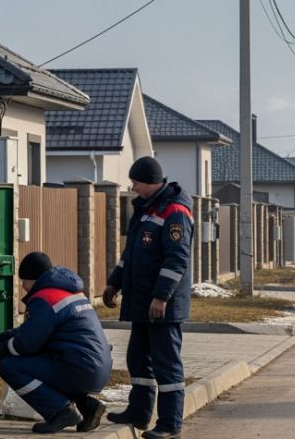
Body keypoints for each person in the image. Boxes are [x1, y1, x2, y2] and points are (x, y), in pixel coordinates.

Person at [102, 156, 192, 439]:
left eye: (136, 182)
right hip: (142, 301)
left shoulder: (174, 212)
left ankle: (169, 424)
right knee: (138, 359)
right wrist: (113, 283)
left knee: (166, 364)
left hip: (161, 306)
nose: (133, 187)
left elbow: (177, 260)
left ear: (151, 181)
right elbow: (131, 255)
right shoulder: (145, 208)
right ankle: (139, 412)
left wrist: (161, 298)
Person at [0, 252, 112, 434]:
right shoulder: (65, 291)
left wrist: (1, 352)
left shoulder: (44, 298)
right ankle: (87, 406)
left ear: (34, 279)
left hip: (81, 368)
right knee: (46, 362)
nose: (22, 286)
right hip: (96, 368)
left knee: (9, 366)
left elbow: (27, 343)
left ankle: (61, 412)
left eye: (24, 280)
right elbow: (31, 329)